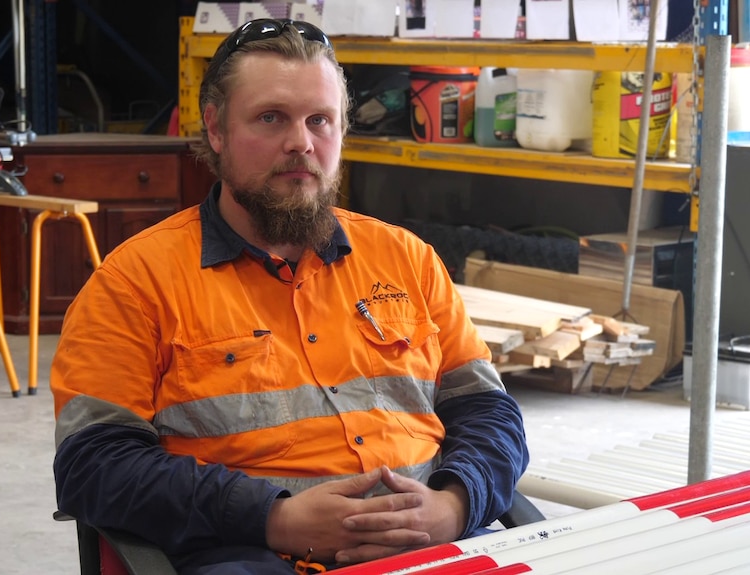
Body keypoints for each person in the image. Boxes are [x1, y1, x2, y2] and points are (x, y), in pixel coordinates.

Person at [51, 19, 529, 574]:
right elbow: (94, 465)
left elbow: (488, 411)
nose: (301, 142)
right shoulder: (134, 282)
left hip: (434, 543)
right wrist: (274, 518)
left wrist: (454, 504)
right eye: (271, 118)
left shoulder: (407, 258)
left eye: (319, 120)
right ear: (216, 129)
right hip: (250, 552)